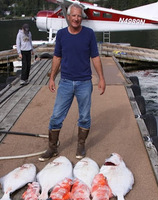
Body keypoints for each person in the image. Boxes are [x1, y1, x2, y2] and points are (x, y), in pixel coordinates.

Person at [39, 3, 106, 161]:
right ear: (68, 17)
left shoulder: (89, 34)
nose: (76, 18)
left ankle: (81, 145)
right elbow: (57, 57)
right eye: (73, 15)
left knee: (84, 117)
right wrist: (52, 77)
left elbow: (95, 57)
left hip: (84, 83)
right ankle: (52, 148)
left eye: (79, 16)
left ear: (81, 17)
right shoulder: (62, 34)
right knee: (56, 117)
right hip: (66, 82)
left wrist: (101, 78)